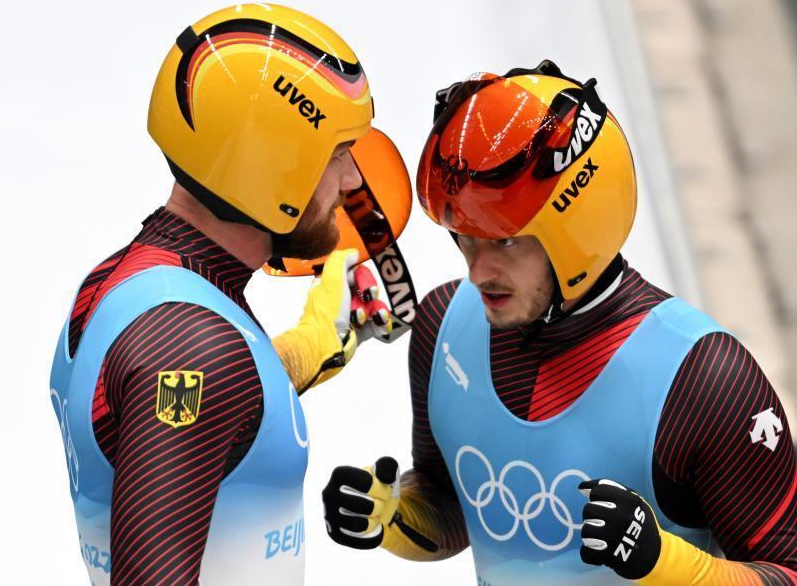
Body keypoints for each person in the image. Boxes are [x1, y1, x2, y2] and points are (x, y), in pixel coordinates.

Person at [322, 61, 797, 585]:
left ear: (577, 229)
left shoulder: (705, 380)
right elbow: (460, 509)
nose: (477, 272)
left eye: (504, 241)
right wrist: (391, 517)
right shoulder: (441, 326)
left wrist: (667, 566)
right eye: (464, 238)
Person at [48, 3, 401, 586]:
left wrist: (321, 333)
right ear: (272, 166)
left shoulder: (129, 284)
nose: (353, 181)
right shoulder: (191, 349)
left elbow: (228, 410)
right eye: (337, 155)